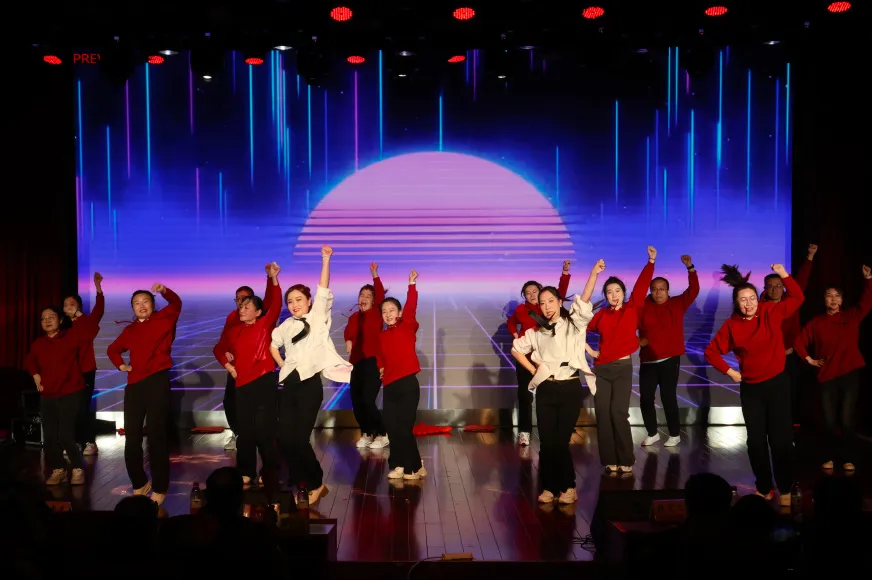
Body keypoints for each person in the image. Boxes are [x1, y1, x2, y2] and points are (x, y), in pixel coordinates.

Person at [704, 263, 803, 507]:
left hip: (777, 384)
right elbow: (711, 352)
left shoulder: (770, 311)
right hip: (752, 390)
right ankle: (764, 488)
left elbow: (798, 298)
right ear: (736, 303)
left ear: (758, 299)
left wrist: (784, 274)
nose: (748, 303)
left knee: (780, 441)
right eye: (742, 299)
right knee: (756, 442)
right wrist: (730, 372)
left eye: (751, 298)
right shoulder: (732, 325)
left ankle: (785, 487)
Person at [511, 263, 598, 504]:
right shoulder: (537, 331)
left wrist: (594, 274)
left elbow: (585, 299)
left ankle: (569, 486)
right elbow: (516, 349)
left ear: (560, 302)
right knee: (547, 442)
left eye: (551, 301)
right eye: (542, 303)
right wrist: (533, 370)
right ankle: (549, 487)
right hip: (546, 389)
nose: (546, 306)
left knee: (560, 441)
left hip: (569, 387)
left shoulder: (574, 324)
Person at [270, 245, 351, 505]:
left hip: (309, 387)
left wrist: (325, 259)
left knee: (300, 439)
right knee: (285, 439)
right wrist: (282, 363)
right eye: (290, 301)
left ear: (309, 302)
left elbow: (323, 288)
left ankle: (316, 483)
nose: (294, 305)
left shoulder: (317, 318)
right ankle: (300, 481)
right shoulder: (286, 325)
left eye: (299, 300)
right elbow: (273, 345)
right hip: (289, 385)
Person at [107, 284, 183, 505]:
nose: (141, 306)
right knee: (132, 437)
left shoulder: (164, 319)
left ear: (153, 304)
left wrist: (165, 290)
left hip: (157, 381)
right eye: (136, 303)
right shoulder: (130, 330)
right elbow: (112, 349)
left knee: (157, 436)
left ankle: (160, 486)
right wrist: (121, 365)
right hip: (134, 385)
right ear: (133, 308)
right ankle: (139, 483)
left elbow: (176, 303)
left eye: (145, 301)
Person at [795, 264, 872, 472]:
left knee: (847, 420)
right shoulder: (817, 322)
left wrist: (868, 279)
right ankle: (828, 456)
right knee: (829, 421)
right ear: (824, 300)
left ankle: (848, 458)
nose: (833, 299)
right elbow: (799, 341)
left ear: (842, 299)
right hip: (826, 375)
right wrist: (809, 359)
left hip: (849, 373)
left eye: (837, 296)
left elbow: (868, 301)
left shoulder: (852, 315)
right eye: (829, 296)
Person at [586, 247, 657, 473]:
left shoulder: (632, 309)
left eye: (617, 290)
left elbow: (642, 286)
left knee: (618, 412)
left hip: (622, 368)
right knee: (603, 414)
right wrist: (589, 350)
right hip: (602, 369)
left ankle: (626, 458)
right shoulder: (601, 315)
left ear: (623, 293)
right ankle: (609, 459)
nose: (614, 295)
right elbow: (578, 329)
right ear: (605, 295)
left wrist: (651, 261)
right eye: (609, 292)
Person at [214, 263, 282, 486]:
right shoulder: (234, 330)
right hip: (242, 384)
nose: (242, 309)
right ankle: (246, 470)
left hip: (264, 381)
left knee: (264, 429)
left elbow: (276, 302)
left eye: (247, 306)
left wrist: (273, 279)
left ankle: (269, 470)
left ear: (258, 312)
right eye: (240, 305)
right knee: (245, 430)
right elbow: (218, 349)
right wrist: (229, 366)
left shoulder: (265, 325)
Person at [26, 305, 99, 486]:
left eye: (51, 317)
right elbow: (30, 359)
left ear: (60, 320)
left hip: (70, 392)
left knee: (65, 435)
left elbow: (91, 330)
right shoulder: (38, 344)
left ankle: (77, 468)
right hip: (48, 394)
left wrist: (78, 314)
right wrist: (36, 375)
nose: (47, 321)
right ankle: (59, 469)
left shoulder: (71, 336)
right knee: (50, 437)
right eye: (43, 318)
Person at [507, 261, 572, 447]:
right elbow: (511, 322)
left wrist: (565, 273)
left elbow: (560, 293)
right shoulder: (521, 310)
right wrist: (515, 335)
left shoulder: (545, 308)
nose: (532, 295)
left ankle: (554, 432)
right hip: (525, 359)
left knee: (549, 396)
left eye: (535, 291)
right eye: (528, 292)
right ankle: (525, 432)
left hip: (546, 359)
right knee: (525, 396)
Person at [637, 255, 699, 447]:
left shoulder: (677, 303)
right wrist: (637, 340)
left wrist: (690, 268)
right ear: (650, 291)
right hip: (648, 360)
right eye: (654, 289)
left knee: (668, 397)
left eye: (662, 289)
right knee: (646, 398)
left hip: (670, 359)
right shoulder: (642, 307)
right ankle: (652, 432)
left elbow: (694, 290)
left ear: (668, 291)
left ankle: (674, 434)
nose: (658, 293)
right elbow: (628, 327)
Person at [378, 269, 426, 481]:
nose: (388, 314)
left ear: (399, 312)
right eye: (384, 311)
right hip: (390, 387)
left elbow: (411, 307)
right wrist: (381, 368)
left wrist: (411, 285)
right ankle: (397, 464)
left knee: (405, 428)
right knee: (393, 428)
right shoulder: (382, 336)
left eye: (392, 310)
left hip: (407, 385)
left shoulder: (407, 326)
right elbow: (380, 356)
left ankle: (412, 467)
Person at [761, 244, 816, 427]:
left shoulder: (791, 302)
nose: (775, 289)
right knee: (768, 393)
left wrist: (810, 256)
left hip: (788, 358)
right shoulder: (758, 307)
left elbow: (802, 281)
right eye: (771, 286)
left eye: (779, 286)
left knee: (790, 391)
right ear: (765, 288)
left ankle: (789, 425)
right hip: (766, 359)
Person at [344, 262, 388, 449]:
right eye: (362, 295)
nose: (364, 298)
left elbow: (381, 294)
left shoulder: (377, 313)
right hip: (357, 363)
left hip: (373, 362)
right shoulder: (354, 317)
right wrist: (348, 340)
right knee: (357, 401)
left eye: (368, 296)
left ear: (374, 300)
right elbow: (348, 331)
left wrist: (375, 273)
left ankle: (383, 433)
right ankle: (367, 432)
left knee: (368, 400)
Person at [62, 271, 105, 456]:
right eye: (65, 305)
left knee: (82, 407)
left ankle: (89, 442)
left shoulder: (86, 322)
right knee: (68, 409)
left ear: (78, 306)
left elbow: (98, 313)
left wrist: (98, 287)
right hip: (67, 373)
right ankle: (72, 442)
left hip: (85, 370)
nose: (68, 307)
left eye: (72, 304)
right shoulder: (62, 326)